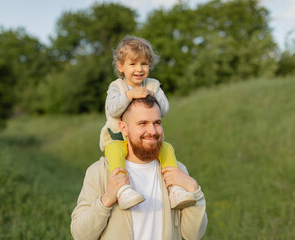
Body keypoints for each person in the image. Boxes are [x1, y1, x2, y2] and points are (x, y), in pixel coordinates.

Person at [71, 95, 207, 240]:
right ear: (124, 128)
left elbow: (193, 235)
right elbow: (80, 235)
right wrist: (106, 200)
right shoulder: (99, 172)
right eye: (142, 123)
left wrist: (194, 190)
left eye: (157, 123)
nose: (153, 131)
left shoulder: (177, 171)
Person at [99, 35, 196, 210]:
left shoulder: (153, 85)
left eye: (144, 64)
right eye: (133, 64)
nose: (139, 69)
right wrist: (130, 95)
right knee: (113, 151)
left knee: (167, 148)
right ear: (121, 67)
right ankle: (123, 190)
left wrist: (152, 94)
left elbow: (164, 109)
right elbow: (112, 109)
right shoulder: (117, 87)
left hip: (147, 141)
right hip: (119, 140)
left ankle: (175, 189)